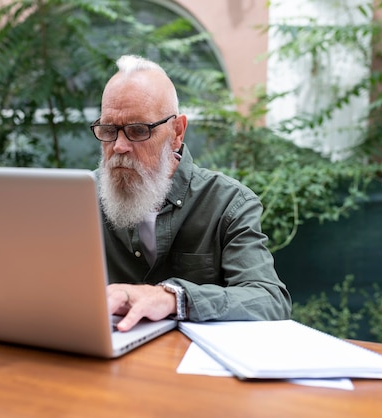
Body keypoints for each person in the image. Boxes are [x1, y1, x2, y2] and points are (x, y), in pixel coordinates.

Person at [91, 55, 291, 332]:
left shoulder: (228, 203)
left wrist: (174, 298)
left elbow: (269, 301)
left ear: (177, 131)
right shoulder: (81, 199)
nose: (119, 146)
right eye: (109, 130)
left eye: (138, 130)